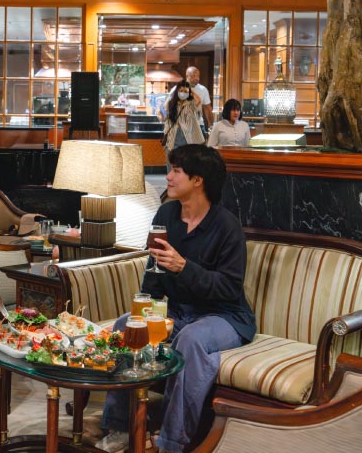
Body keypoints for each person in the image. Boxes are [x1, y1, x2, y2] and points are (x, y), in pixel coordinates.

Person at [98, 144, 255, 453]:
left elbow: (229, 288)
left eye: (176, 171)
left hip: (224, 316)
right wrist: (144, 309)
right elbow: (155, 268)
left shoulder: (227, 226)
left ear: (198, 180)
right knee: (125, 325)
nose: (168, 177)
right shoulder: (167, 213)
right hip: (178, 312)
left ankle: (171, 443)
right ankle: (120, 427)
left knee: (192, 340)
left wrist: (184, 267)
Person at [162, 80, 205, 166]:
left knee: (186, 166)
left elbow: (198, 100)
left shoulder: (191, 104)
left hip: (187, 138)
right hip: (172, 138)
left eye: (185, 91)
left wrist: (190, 90)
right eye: (181, 91)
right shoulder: (171, 103)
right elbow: (163, 112)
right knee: (172, 165)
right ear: (177, 91)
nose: (183, 93)